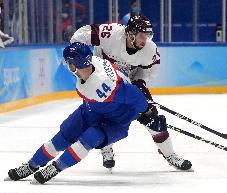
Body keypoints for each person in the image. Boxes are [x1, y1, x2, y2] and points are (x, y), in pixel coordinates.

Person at [6, 42, 148, 184]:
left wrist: (145, 109)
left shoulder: (99, 85)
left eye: (69, 63)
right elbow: (125, 84)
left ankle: (57, 167)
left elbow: (132, 94)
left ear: (74, 65)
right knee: (62, 137)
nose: (68, 66)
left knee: (90, 137)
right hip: (91, 111)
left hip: (114, 122)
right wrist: (144, 108)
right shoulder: (95, 62)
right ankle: (31, 165)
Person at [70, 14, 193, 171]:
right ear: (130, 33)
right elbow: (81, 35)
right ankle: (106, 148)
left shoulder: (150, 50)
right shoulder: (112, 34)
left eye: (147, 36)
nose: (145, 40)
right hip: (101, 81)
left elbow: (148, 72)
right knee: (101, 116)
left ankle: (170, 155)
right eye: (141, 35)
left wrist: (139, 83)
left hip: (128, 84)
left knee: (153, 118)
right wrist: (82, 59)